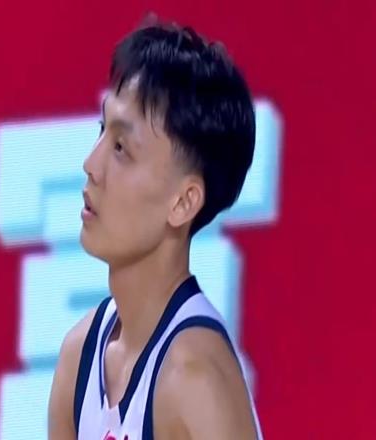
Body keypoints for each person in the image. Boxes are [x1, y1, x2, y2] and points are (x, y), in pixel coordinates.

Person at [49, 18, 263, 440]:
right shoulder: (78, 359)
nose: (91, 165)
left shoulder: (194, 378)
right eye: (101, 130)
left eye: (121, 148)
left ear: (183, 202)